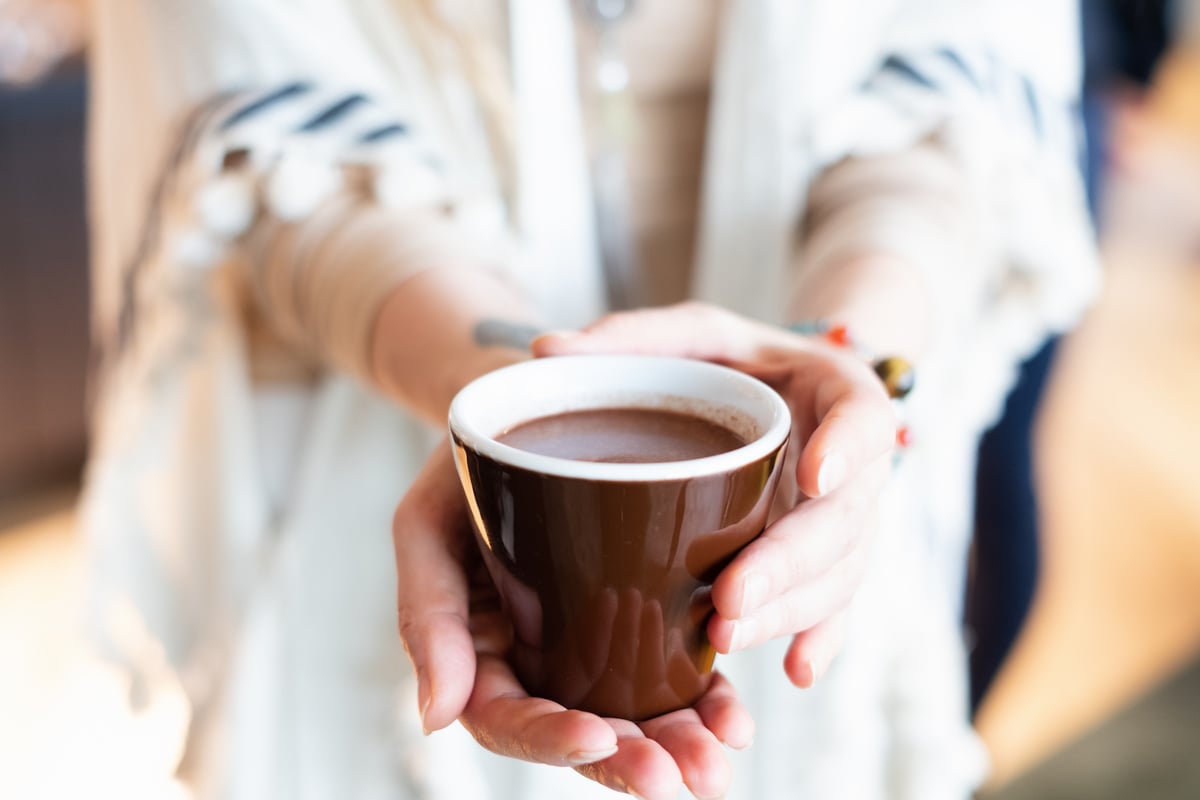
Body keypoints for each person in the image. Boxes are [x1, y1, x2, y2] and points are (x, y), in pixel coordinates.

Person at [79, 1, 1098, 798]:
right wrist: (492, 393)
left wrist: (850, 359)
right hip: (379, 430)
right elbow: (260, 119)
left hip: (814, 488)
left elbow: (956, 96)